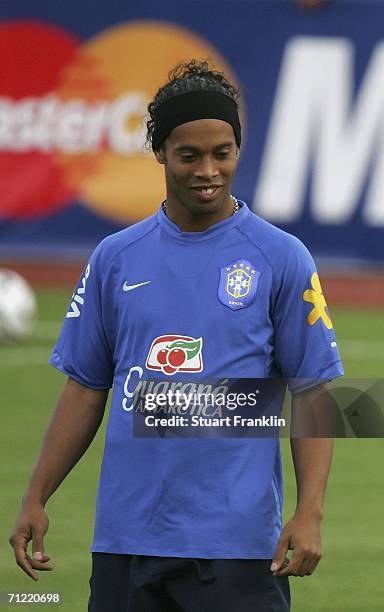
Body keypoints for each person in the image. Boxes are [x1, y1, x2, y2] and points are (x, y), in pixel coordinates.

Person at [10, 60, 343, 612]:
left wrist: (310, 512)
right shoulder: (116, 258)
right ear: (160, 153)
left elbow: (313, 391)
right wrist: (36, 495)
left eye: (223, 153)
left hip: (235, 548)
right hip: (125, 540)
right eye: (189, 155)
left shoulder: (281, 257)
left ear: (238, 149)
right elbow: (86, 388)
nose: (208, 170)